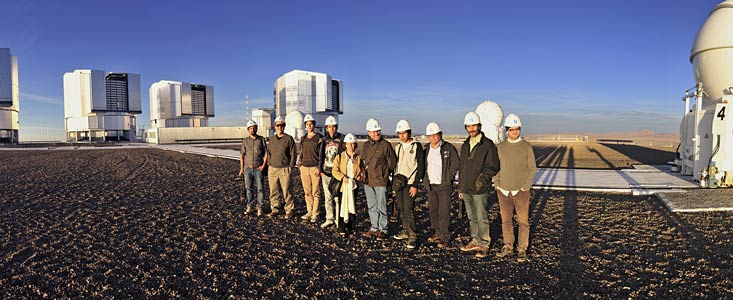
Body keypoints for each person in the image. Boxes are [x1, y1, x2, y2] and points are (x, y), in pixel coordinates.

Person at [494, 114, 537, 263]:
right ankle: (508, 245)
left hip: (521, 191)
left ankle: (522, 249)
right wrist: (497, 184)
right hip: (503, 191)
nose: (514, 132)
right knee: (506, 220)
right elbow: (496, 168)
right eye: (511, 130)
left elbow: (532, 168)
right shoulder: (500, 147)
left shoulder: (526, 147)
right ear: (506, 130)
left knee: (523, 221)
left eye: (517, 129)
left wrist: (525, 187)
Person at [458, 111, 500, 258]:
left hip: (480, 189)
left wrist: (481, 181)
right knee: (471, 216)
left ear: (479, 126)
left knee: (481, 216)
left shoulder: (487, 145)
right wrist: (460, 187)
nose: (471, 129)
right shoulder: (465, 145)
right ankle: (475, 240)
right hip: (467, 188)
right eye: (468, 126)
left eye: (474, 125)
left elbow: (493, 166)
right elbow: (462, 168)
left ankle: (484, 243)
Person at [422, 122, 459, 249]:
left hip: (444, 186)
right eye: (430, 135)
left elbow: (455, 163)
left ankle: (445, 236)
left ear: (440, 134)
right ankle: (437, 233)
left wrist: (449, 177)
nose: (432, 138)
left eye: (435, 135)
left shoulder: (448, 148)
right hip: (431, 185)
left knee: (444, 212)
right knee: (433, 211)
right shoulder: (426, 149)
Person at [391, 120, 425, 249]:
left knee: (409, 209)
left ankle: (412, 235)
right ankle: (405, 231)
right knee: (401, 208)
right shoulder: (398, 147)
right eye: (399, 133)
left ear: (409, 132)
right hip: (399, 183)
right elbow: (395, 166)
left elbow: (420, 166)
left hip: (411, 183)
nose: (401, 136)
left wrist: (415, 184)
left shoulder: (416, 146)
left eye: (403, 133)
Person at [361, 118, 397, 240]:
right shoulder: (365, 145)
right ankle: (374, 228)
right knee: (372, 206)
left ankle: (383, 229)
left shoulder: (385, 145)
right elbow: (363, 161)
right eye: (374, 131)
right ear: (369, 132)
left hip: (381, 181)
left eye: (378, 131)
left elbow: (392, 163)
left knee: (382, 206)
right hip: (368, 181)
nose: (377, 133)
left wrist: (384, 175)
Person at [331, 133, 362, 237]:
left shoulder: (358, 157)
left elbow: (361, 171)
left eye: (352, 144)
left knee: (352, 206)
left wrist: (356, 180)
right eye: (349, 144)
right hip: (343, 186)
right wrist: (343, 177)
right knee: (342, 206)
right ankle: (341, 228)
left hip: (353, 186)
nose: (351, 146)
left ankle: (351, 227)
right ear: (345, 145)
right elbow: (334, 171)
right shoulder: (339, 157)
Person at [267, 116, 297, 219]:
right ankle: (274, 209)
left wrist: (291, 166)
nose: (280, 127)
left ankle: (289, 210)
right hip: (273, 169)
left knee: (287, 191)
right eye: (278, 125)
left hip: (285, 168)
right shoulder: (272, 140)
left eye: (282, 125)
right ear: (275, 126)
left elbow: (293, 153)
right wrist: (269, 164)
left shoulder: (289, 139)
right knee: (273, 191)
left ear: (284, 126)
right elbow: (269, 153)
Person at [238, 120, 268, 216]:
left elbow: (266, 153)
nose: (253, 129)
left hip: (258, 168)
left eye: (254, 128)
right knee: (249, 189)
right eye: (251, 128)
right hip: (248, 168)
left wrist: (263, 166)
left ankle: (259, 208)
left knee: (260, 189)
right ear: (248, 130)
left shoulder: (261, 140)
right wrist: (241, 169)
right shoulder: (245, 141)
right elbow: (242, 155)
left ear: (256, 128)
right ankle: (249, 206)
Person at [320, 116, 345, 229]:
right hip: (326, 172)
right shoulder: (324, 140)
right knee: (328, 197)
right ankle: (329, 218)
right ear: (326, 128)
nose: (331, 129)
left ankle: (339, 219)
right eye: (329, 127)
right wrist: (320, 169)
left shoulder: (341, 139)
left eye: (333, 127)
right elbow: (321, 155)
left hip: (337, 173)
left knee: (338, 197)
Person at [299, 114, 324, 223]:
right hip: (304, 167)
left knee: (316, 192)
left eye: (311, 124)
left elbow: (321, 154)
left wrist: (319, 167)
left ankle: (316, 213)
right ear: (305, 126)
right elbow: (301, 152)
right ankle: (309, 211)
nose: (309, 126)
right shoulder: (303, 138)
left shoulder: (319, 138)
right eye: (307, 124)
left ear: (314, 125)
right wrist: (300, 165)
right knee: (307, 192)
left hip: (314, 168)